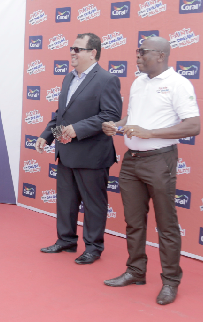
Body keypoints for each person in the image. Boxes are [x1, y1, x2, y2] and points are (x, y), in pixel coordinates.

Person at [102, 37, 200, 306]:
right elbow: (133, 119)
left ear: (160, 55)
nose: (137, 55)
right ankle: (135, 271)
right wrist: (117, 125)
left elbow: (193, 126)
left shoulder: (178, 84)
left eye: (142, 52)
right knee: (134, 221)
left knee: (166, 225)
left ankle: (170, 281)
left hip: (160, 161)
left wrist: (150, 133)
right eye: (137, 51)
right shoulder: (138, 82)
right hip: (131, 161)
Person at [36, 33, 122, 265]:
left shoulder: (107, 79)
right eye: (71, 48)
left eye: (78, 49)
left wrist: (79, 128)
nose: (72, 52)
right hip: (66, 154)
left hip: (93, 155)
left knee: (94, 204)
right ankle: (66, 240)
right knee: (66, 201)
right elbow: (61, 115)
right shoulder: (68, 79)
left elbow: (111, 115)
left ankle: (93, 247)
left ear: (93, 52)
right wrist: (47, 136)